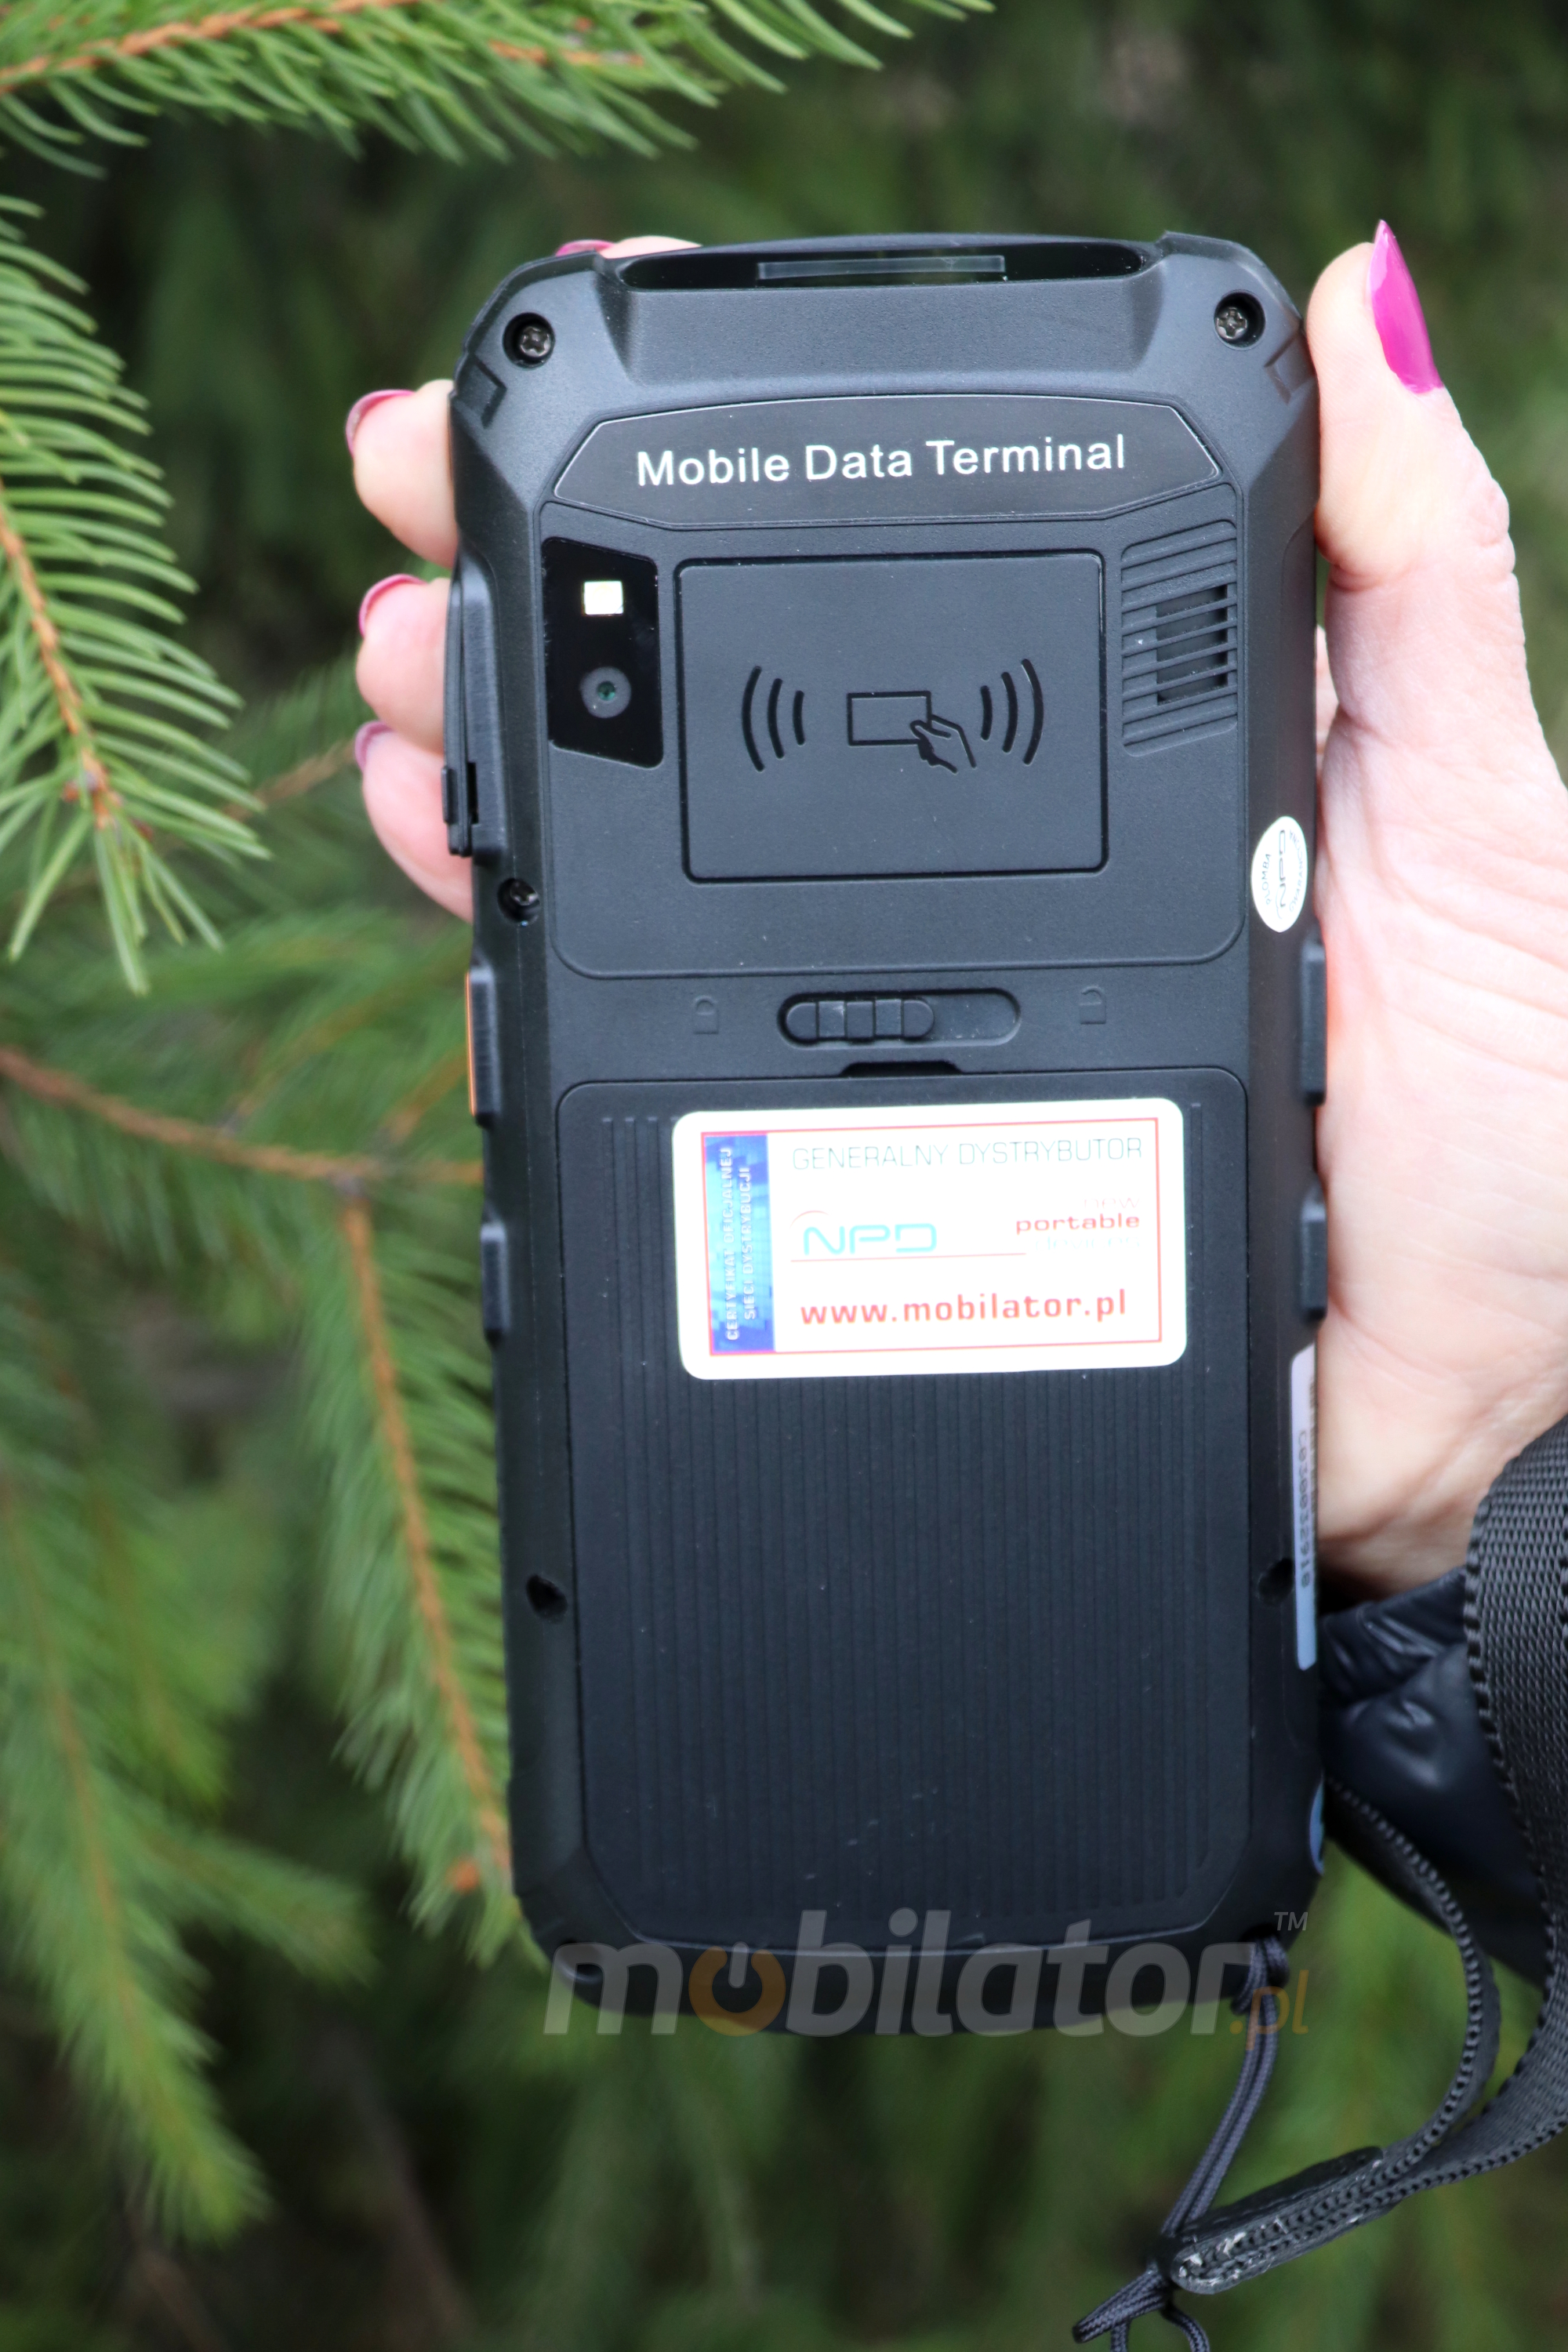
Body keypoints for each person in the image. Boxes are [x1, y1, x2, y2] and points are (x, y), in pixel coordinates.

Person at [348, 227, 1568, 1969]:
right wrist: (1490, 1465)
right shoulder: (1183, 391)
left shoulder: (595, 417)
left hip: (709, 1885)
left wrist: (1498, 1440)